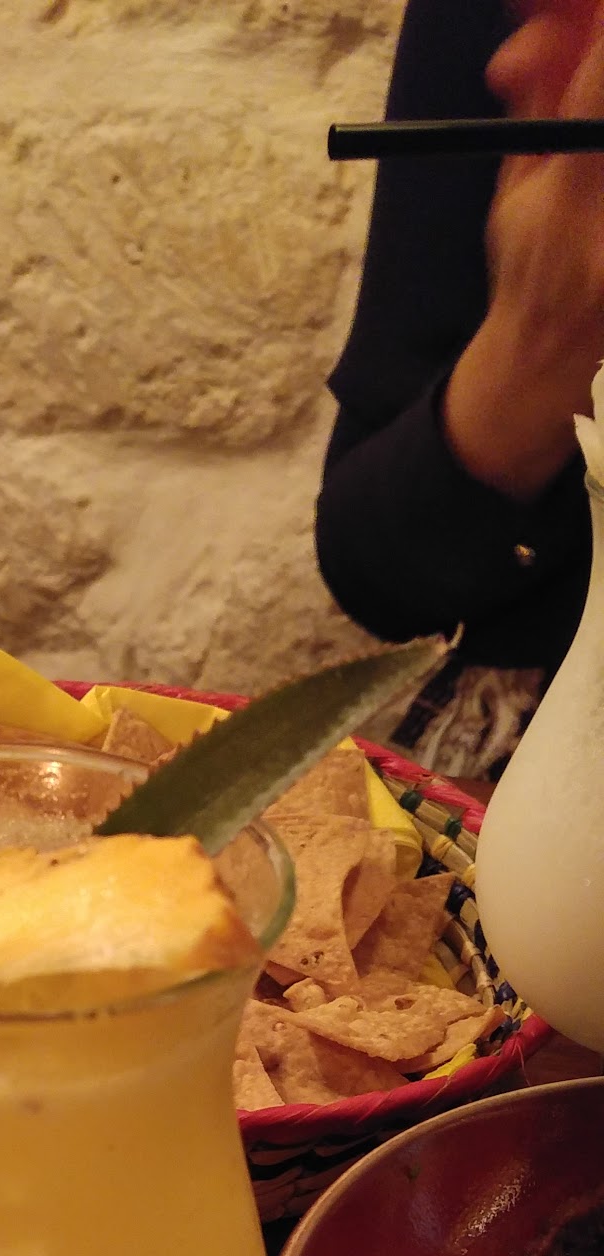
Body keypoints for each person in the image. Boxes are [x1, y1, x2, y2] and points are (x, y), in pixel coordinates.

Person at [316, 0, 604, 776]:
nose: (511, 63)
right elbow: (377, 566)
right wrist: (542, 348)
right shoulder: (516, 29)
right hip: (549, 761)